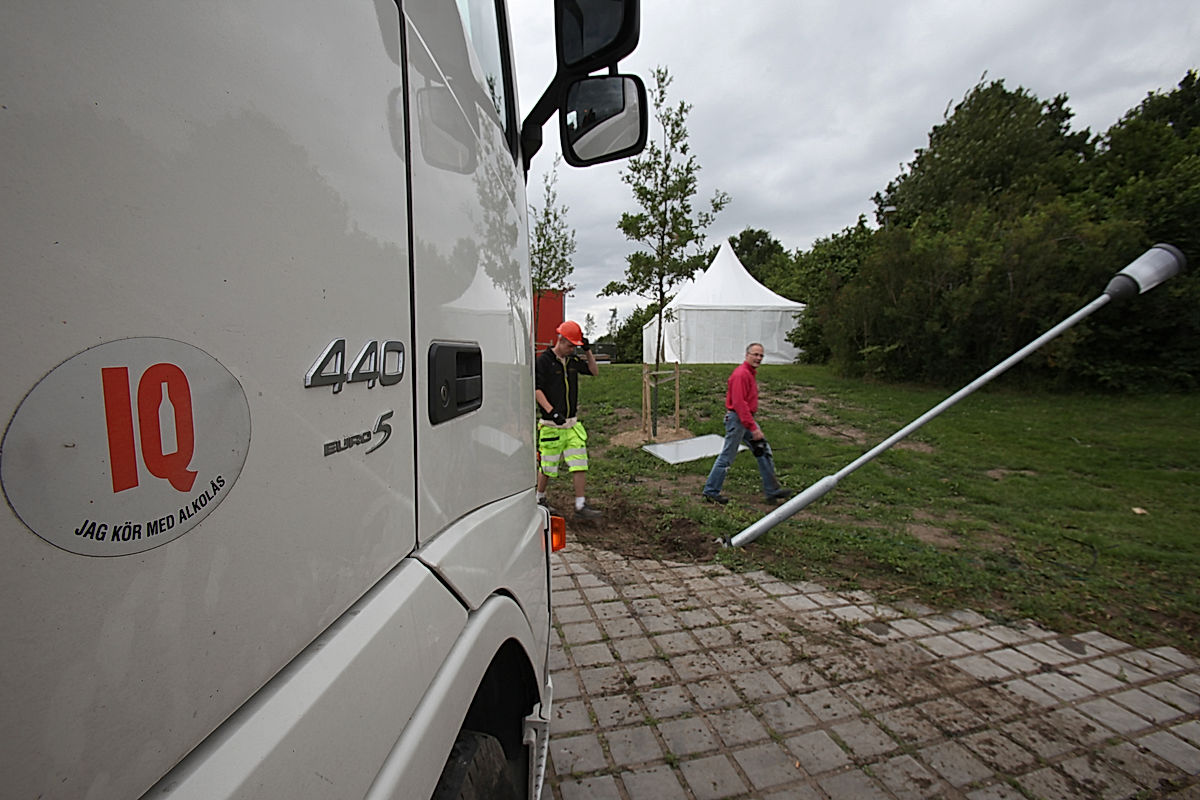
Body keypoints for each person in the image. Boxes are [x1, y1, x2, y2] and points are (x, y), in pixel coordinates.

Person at [702, 342, 793, 505]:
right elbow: (738, 403)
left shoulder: (750, 374)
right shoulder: (741, 374)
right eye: (755, 355)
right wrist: (752, 427)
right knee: (727, 456)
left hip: (744, 419)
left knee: (763, 450)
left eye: (761, 356)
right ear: (747, 355)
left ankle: (772, 491)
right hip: (738, 420)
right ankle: (711, 491)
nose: (758, 358)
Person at [536, 320, 602, 519]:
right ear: (561, 340)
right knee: (548, 465)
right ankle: (539, 497)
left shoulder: (573, 361)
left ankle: (580, 505)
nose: (573, 349)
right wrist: (551, 411)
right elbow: (537, 389)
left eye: (576, 346)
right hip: (551, 424)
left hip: (572, 424)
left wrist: (588, 351)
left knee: (579, 462)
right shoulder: (545, 361)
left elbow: (594, 371)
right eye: (570, 345)